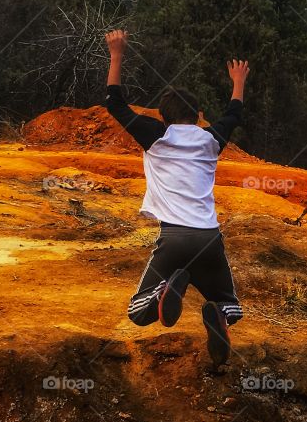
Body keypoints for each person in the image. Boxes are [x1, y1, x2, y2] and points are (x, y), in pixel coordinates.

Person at [103, 29, 248, 364]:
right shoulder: (210, 138)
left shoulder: (155, 134)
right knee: (231, 306)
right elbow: (233, 113)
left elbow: (114, 102)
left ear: (163, 116)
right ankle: (219, 316)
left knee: (138, 312)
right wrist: (237, 80)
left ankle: (164, 292)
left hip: (174, 238)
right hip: (210, 238)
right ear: (198, 116)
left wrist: (116, 55)